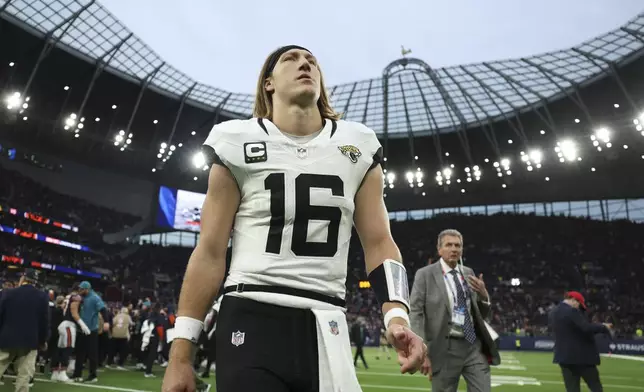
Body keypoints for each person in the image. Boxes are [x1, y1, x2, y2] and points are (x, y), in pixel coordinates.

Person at [162, 45, 427, 392]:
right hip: (250, 312)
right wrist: (180, 356)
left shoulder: (357, 145)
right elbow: (210, 252)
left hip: (327, 320)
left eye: (313, 61)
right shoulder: (236, 141)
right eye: (292, 59)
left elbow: (380, 242)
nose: (306, 63)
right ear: (268, 83)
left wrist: (396, 317)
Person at [410, 229, 500, 392]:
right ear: (439, 250)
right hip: (445, 347)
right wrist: (420, 349)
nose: (454, 249)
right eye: (449, 245)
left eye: (458, 245)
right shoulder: (425, 275)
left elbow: (481, 315)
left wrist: (484, 296)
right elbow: (416, 313)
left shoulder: (468, 273)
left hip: (473, 345)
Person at [549, 291, 612, 392]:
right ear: (573, 300)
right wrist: (603, 327)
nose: (578, 307)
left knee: (572, 389)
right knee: (595, 387)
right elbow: (586, 328)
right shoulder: (571, 311)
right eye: (579, 304)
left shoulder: (553, 312)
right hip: (581, 357)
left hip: (564, 357)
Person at [0, 269, 50, 392]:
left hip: (6, 337)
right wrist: (43, 341)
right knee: (24, 375)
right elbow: (44, 322)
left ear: (23, 278)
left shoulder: (8, 293)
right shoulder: (42, 296)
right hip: (30, 340)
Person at [71, 281, 106, 383]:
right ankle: (77, 374)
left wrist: (107, 322)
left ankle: (93, 375)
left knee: (92, 354)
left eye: (82, 289)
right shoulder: (82, 297)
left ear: (87, 289)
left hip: (91, 330)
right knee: (79, 353)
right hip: (81, 330)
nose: (80, 291)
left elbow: (103, 309)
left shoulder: (95, 298)